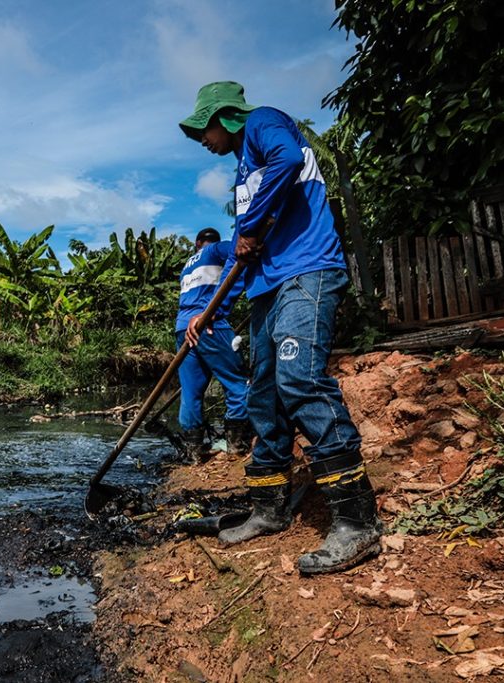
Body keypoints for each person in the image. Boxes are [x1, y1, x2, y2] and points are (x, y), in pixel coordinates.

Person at [180, 81, 381, 574]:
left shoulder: (262, 121)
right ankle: (268, 508)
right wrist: (208, 313)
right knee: (264, 396)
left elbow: (288, 159)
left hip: (307, 271)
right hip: (266, 288)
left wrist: (249, 228)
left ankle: (357, 521)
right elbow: (242, 257)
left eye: (203, 129)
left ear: (224, 117)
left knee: (300, 380)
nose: (202, 140)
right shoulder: (243, 171)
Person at [175, 226, 252, 458]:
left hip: (183, 328)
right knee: (237, 381)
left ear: (197, 244)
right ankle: (237, 444)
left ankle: (194, 451)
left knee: (190, 391)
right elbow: (240, 250)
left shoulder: (187, 265)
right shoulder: (216, 250)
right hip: (207, 322)